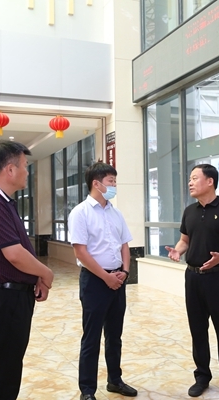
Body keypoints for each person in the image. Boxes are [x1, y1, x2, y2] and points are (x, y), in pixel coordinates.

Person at [0, 140, 54, 400]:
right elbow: (15, 255)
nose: (27, 172)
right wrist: (46, 273)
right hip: (6, 300)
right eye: (25, 166)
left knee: (8, 368)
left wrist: (35, 276)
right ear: (9, 169)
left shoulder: (2, 201)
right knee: (4, 374)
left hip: (13, 296)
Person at [165, 164, 219, 399]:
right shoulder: (189, 211)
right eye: (190, 179)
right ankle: (202, 377)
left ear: (210, 181)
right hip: (192, 277)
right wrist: (178, 251)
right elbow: (185, 240)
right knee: (197, 329)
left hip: (218, 277)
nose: (190, 183)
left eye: (194, 178)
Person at [68, 162, 137, 400]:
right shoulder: (80, 213)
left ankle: (115, 381)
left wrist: (125, 272)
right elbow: (80, 252)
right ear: (96, 184)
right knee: (92, 337)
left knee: (114, 336)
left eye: (115, 181)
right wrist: (105, 277)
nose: (114, 185)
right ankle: (87, 390)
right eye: (111, 181)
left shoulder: (116, 213)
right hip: (95, 282)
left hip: (118, 279)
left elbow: (124, 244)